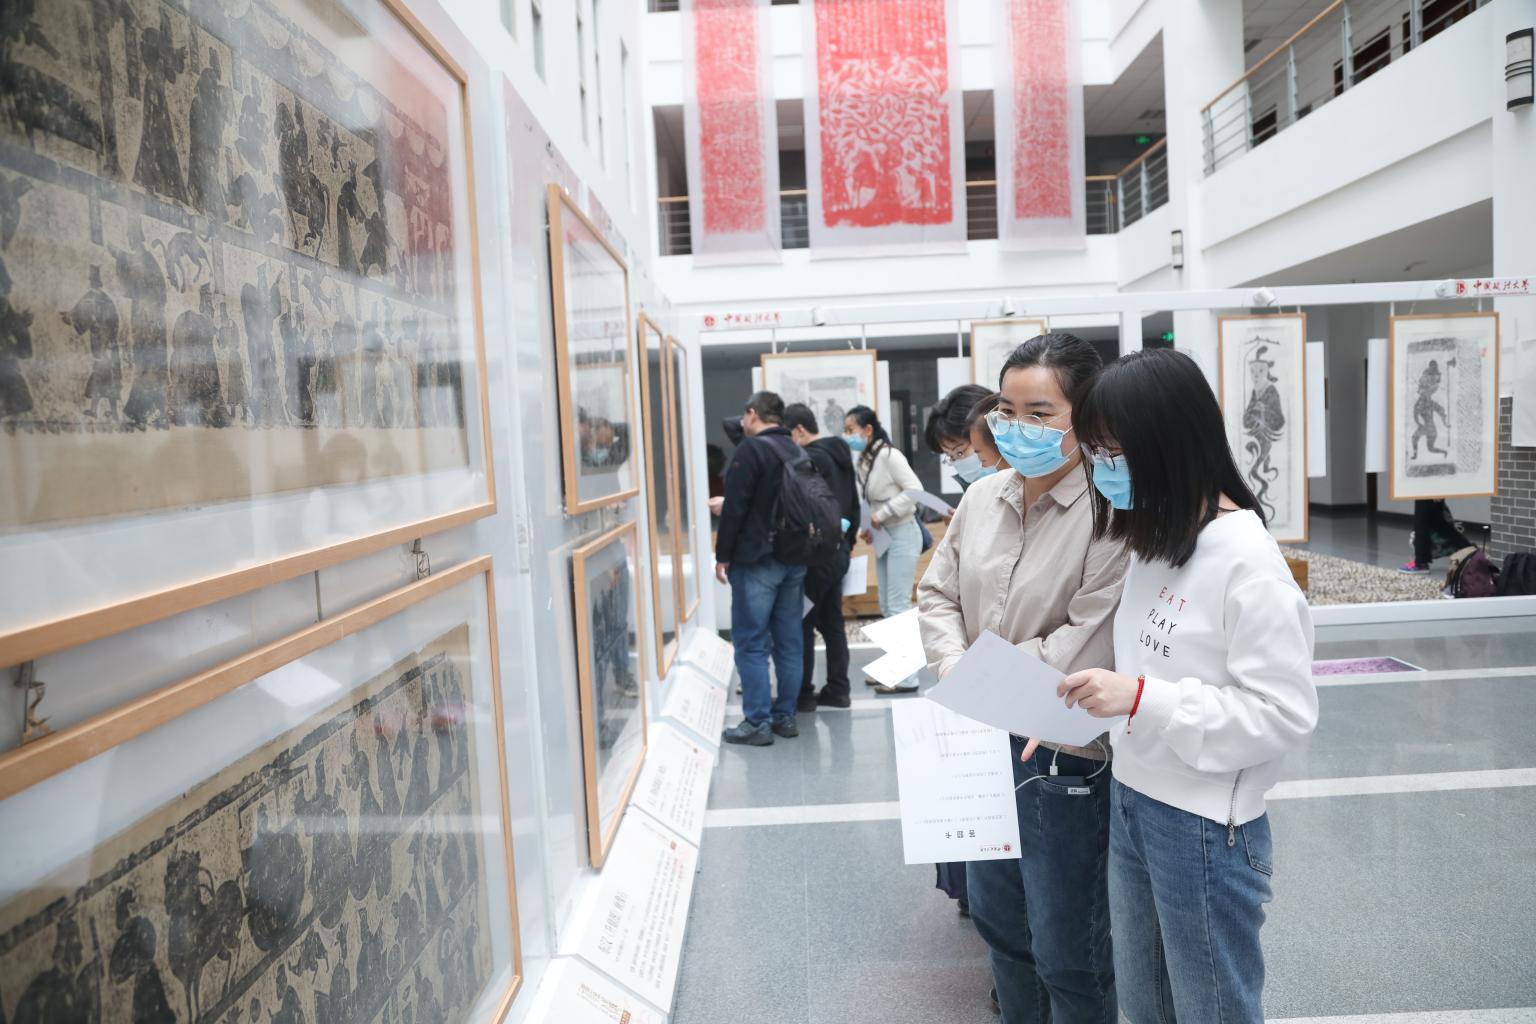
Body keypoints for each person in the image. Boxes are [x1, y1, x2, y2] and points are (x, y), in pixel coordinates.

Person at [1058, 347, 1318, 1024]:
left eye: (1115, 453)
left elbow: (1284, 714)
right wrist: (1072, 712)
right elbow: (1149, 669)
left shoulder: (1247, 562)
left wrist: (1142, 699)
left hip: (1204, 825)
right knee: (1146, 1008)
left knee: (1211, 1011)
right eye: (1094, 453)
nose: (1102, 470)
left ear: (1169, 445)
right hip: (1133, 798)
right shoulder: (1157, 536)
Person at [919, 334, 1128, 1023]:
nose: (1018, 427)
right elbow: (937, 594)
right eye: (1008, 410)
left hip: (1061, 752)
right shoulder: (983, 497)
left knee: (1071, 951)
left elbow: (1088, 635)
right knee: (1001, 930)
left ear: (1085, 417)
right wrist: (956, 668)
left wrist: (977, 679)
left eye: (1041, 413)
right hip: (979, 741)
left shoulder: (1109, 509)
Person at [716, 391, 808, 746]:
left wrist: (723, 555)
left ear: (752, 414)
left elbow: (735, 508)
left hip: (757, 559)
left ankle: (757, 722)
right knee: (789, 641)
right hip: (794, 558)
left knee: (751, 642)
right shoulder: (796, 450)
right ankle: (785, 716)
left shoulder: (751, 450)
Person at [782, 402, 861, 711]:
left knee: (801, 622)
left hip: (817, 554)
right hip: (839, 551)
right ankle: (839, 690)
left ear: (800, 430)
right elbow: (853, 503)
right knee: (832, 623)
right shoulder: (840, 455)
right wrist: (848, 543)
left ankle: (802, 694)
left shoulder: (810, 459)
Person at [844, 405, 923, 620]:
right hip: (882, 536)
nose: (847, 436)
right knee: (886, 605)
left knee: (898, 606)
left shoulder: (889, 455)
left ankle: (909, 644)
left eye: (851, 430)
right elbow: (868, 499)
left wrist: (882, 514)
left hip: (903, 533)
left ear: (868, 430)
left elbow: (915, 490)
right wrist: (867, 525)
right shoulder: (864, 459)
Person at [1400, 498, 1473, 574]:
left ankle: (1421, 562)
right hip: (1429, 492)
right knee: (1438, 523)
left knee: (1423, 521)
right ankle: (1471, 553)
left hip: (1426, 492)